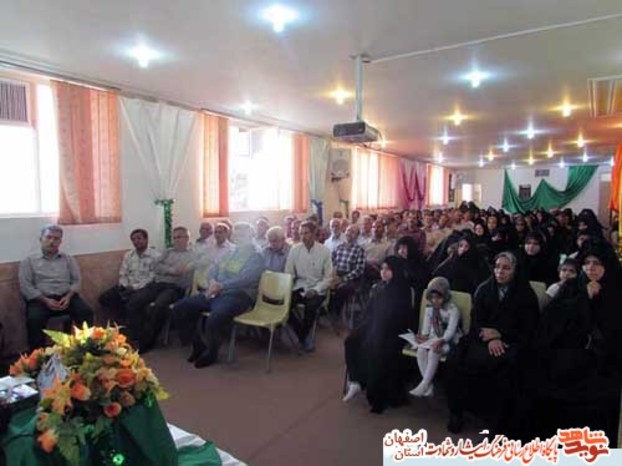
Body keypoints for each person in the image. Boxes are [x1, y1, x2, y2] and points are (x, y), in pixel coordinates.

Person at [527, 238, 622, 442]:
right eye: (586, 263)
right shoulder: (572, 286)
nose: (590, 268)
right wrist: (583, 298)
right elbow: (552, 322)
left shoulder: (616, 289)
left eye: (597, 263)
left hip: (605, 360)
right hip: (568, 353)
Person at [445, 251, 539, 437]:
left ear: (515, 270)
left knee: (508, 368)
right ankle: (456, 413)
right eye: (497, 267)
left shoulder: (525, 294)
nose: (500, 272)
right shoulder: (484, 289)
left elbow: (529, 326)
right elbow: (476, 319)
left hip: (511, 341)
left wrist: (501, 334)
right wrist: (490, 337)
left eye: (506, 268)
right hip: (482, 338)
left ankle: (498, 423)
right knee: (455, 358)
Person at [174, 222, 264, 367]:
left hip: (238, 295)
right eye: (236, 235)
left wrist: (221, 286)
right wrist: (212, 282)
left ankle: (212, 352)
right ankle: (198, 345)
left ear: (251, 236)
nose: (239, 238)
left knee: (215, 318)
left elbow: (246, 279)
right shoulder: (231, 252)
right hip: (216, 291)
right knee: (181, 307)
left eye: (242, 235)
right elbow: (213, 268)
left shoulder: (256, 255)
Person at [342, 257, 413, 413]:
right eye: (382, 269)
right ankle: (356, 380)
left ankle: (372, 391)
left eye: (388, 269)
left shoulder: (402, 289)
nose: (383, 272)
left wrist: (379, 324)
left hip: (393, 330)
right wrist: (363, 324)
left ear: (396, 271)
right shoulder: (379, 287)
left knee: (375, 346)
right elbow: (369, 310)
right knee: (351, 340)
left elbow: (401, 317)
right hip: (374, 324)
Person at [19, 225, 94, 350]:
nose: (52, 241)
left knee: (86, 312)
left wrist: (68, 297)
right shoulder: (29, 261)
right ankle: (38, 356)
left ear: (60, 242)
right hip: (41, 300)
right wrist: (45, 300)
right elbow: (26, 286)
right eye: (48, 237)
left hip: (67, 297)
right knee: (34, 319)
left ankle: (86, 350)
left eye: (56, 239)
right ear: (41, 239)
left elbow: (76, 281)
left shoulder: (68, 259)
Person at [125, 226, 195, 353]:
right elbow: (156, 266)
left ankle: (148, 342)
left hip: (176, 288)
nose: (176, 240)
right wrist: (172, 270)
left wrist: (169, 270)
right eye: (174, 237)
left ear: (187, 238)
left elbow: (184, 273)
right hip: (159, 284)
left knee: (159, 306)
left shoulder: (193, 254)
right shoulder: (168, 252)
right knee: (134, 301)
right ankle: (137, 336)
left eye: (179, 237)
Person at [410, 277, 462, 397]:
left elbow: (451, 331)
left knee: (434, 351)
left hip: (450, 340)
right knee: (421, 350)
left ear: (445, 296)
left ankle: (424, 384)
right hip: (434, 338)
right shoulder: (430, 309)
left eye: (439, 297)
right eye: (432, 297)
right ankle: (428, 386)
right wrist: (422, 337)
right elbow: (426, 329)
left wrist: (441, 340)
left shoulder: (453, 310)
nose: (435, 301)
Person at [284, 221, 333, 351]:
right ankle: (303, 335)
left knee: (310, 307)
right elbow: (289, 273)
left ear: (314, 233)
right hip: (299, 287)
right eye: (301, 233)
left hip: (318, 288)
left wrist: (316, 290)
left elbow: (328, 278)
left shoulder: (324, 251)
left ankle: (304, 338)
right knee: (284, 306)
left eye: (306, 233)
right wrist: (287, 289)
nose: (303, 236)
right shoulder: (295, 250)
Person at [98, 229, 160, 323]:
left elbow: (152, 277)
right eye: (133, 239)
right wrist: (124, 286)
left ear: (146, 239)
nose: (136, 241)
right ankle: (121, 322)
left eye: (139, 238)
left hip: (145, 288)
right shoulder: (129, 255)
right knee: (105, 298)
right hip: (127, 286)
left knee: (132, 303)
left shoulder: (156, 256)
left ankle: (133, 328)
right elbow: (123, 273)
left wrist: (134, 288)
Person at [329, 225, 366, 318]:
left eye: (353, 232)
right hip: (337, 274)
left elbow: (359, 270)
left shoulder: (359, 250)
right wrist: (333, 277)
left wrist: (343, 279)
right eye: (348, 231)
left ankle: (335, 314)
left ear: (357, 236)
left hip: (352, 278)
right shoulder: (338, 247)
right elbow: (331, 263)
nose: (349, 233)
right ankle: (326, 311)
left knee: (341, 289)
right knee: (324, 286)